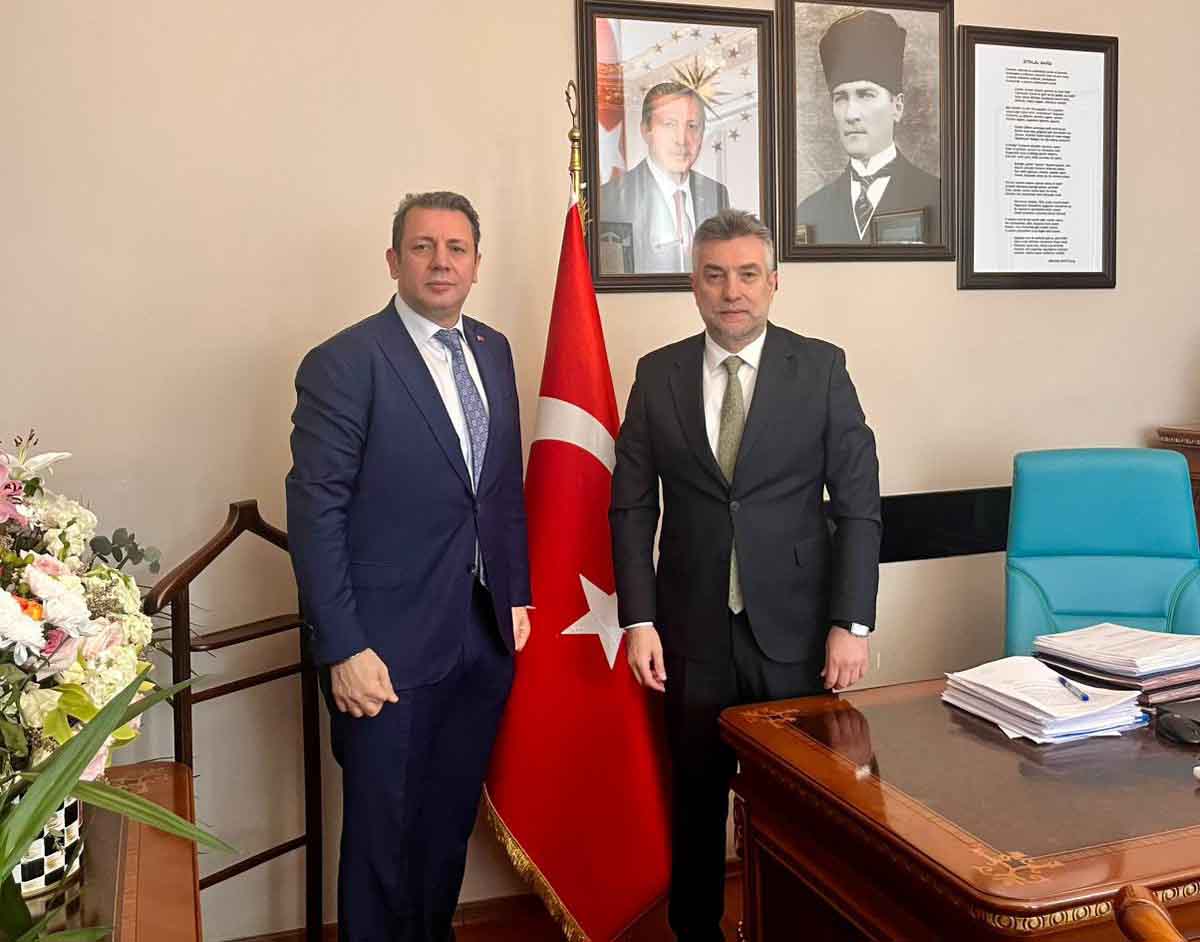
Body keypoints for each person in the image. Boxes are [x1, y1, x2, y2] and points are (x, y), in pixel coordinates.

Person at [609, 208, 881, 942]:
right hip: (689, 633)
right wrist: (638, 619)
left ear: (774, 282)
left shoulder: (820, 368)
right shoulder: (658, 374)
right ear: (694, 285)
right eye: (715, 275)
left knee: (803, 803)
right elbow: (631, 506)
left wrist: (850, 623)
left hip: (796, 634)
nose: (732, 291)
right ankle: (695, 932)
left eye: (748, 274)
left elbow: (858, 506)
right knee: (694, 800)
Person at [285, 191, 531, 942]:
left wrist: (516, 593)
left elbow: (500, 489)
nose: (440, 262)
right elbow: (316, 515)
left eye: (457, 248)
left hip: (480, 638)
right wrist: (343, 648)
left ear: (477, 264)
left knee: (445, 828)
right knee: (381, 842)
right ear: (394, 261)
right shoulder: (345, 362)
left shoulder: (492, 349)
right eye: (423, 247)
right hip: (381, 650)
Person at [795, 10, 941, 245]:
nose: (851, 114)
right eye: (841, 98)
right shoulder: (809, 211)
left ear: (897, 106)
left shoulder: (939, 197)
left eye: (865, 95)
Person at [598, 82, 730, 274]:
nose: (682, 140)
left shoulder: (716, 193)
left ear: (702, 134)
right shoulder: (610, 198)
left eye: (692, 126)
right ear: (646, 131)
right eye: (670, 124)